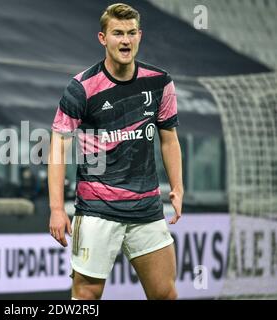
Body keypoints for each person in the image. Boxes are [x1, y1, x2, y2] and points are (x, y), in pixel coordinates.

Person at [48, 3, 183, 300]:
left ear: (140, 36)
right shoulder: (81, 88)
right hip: (97, 211)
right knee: (86, 295)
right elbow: (58, 145)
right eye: (118, 33)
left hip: (147, 209)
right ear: (102, 38)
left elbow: (169, 139)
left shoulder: (160, 83)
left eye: (131, 33)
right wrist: (57, 209)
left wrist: (177, 187)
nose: (125, 40)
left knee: (165, 294)